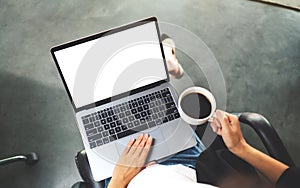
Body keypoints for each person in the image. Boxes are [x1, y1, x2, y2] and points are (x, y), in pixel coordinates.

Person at [107, 110, 299, 188]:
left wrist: (117, 182)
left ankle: (168, 61)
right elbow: (292, 181)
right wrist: (241, 148)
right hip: (196, 172)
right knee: (182, 109)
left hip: (129, 179)